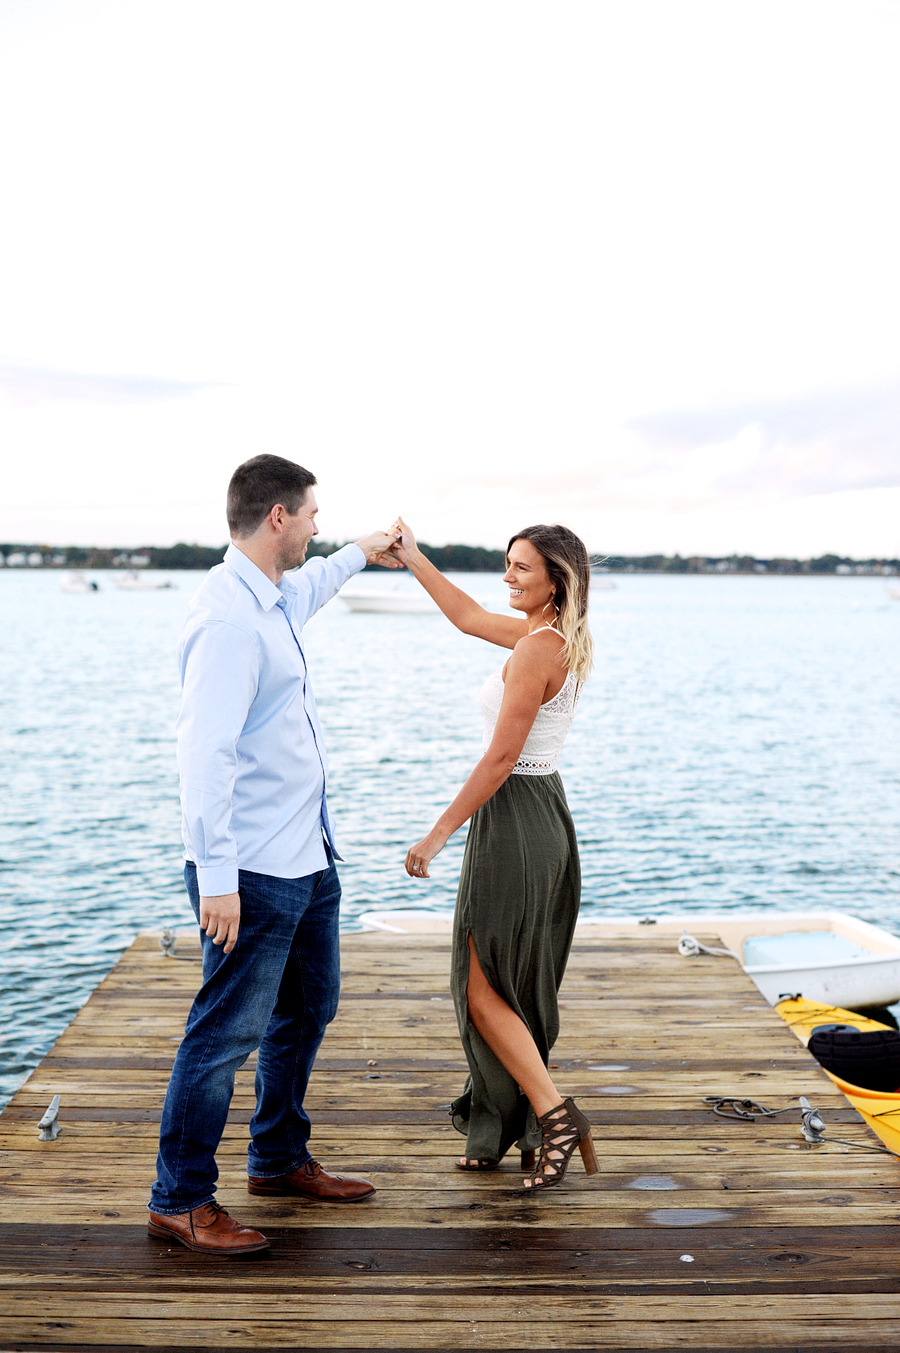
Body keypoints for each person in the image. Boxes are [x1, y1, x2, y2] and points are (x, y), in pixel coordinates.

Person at [147, 454, 400, 1255]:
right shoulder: (226, 619)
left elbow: (317, 584)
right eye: (314, 514)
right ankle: (179, 1197)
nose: (318, 525)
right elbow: (204, 757)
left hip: (307, 857)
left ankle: (278, 1156)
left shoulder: (275, 596)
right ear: (278, 518)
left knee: (308, 1009)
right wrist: (216, 878)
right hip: (250, 870)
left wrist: (366, 547)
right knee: (223, 1035)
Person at [392, 517, 597, 1192]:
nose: (507, 576)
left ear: (554, 582)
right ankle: (518, 1122)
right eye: (507, 563)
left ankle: (553, 1115)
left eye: (521, 569)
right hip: (540, 813)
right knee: (502, 983)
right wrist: (414, 558)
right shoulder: (553, 635)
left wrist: (437, 832)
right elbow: (467, 615)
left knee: (483, 988)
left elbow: (503, 757)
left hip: (513, 818)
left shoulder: (540, 648)